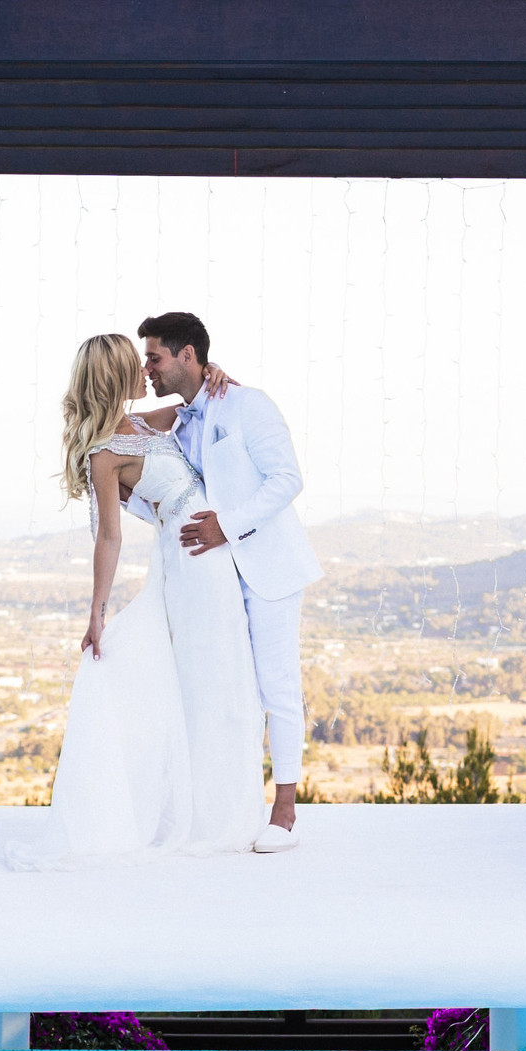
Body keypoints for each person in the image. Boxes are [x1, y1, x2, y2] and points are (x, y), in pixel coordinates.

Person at [7, 334, 264, 870]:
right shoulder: (104, 454)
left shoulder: (146, 423)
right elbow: (109, 537)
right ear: (114, 376)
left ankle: (220, 808)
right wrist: (96, 613)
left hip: (208, 549)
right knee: (213, 674)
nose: (146, 370)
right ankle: (212, 818)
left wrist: (213, 371)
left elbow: (200, 402)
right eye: (135, 363)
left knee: (222, 674)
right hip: (193, 558)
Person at [139, 311, 322, 853]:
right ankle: (227, 806)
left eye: (154, 357)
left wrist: (228, 525)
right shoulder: (178, 422)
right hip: (212, 579)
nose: (148, 369)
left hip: (267, 567)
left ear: (187, 356)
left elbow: (287, 479)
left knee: (277, 687)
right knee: (228, 690)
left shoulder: (247, 404)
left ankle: (285, 812)